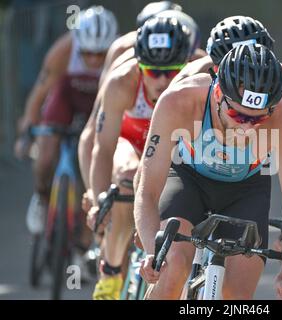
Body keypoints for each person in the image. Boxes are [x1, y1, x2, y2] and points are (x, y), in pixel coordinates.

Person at [134, 43, 282, 300]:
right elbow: (147, 191)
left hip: (246, 189)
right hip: (188, 179)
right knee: (171, 270)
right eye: (238, 116)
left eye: (257, 119)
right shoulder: (179, 100)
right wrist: (153, 253)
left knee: (235, 298)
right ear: (217, 94)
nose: (247, 128)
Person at [86, 16, 193, 300]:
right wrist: (98, 199)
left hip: (174, 147)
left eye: (171, 71)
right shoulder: (121, 82)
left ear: (187, 61)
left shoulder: (199, 71)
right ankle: (109, 275)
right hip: (131, 144)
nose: (160, 80)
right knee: (127, 179)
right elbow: (103, 147)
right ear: (138, 65)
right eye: (152, 71)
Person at [14, 5, 118, 237]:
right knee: (45, 156)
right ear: (78, 44)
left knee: (95, 169)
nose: (93, 59)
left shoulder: (120, 52)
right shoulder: (63, 51)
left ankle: (84, 237)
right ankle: (41, 198)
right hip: (66, 98)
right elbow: (39, 93)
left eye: (100, 53)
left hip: (100, 103)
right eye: (87, 53)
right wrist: (28, 129)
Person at [172, 16, 282, 176]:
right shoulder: (190, 78)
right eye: (233, 73)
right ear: (214, 64)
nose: (244, 83)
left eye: (255, 72)